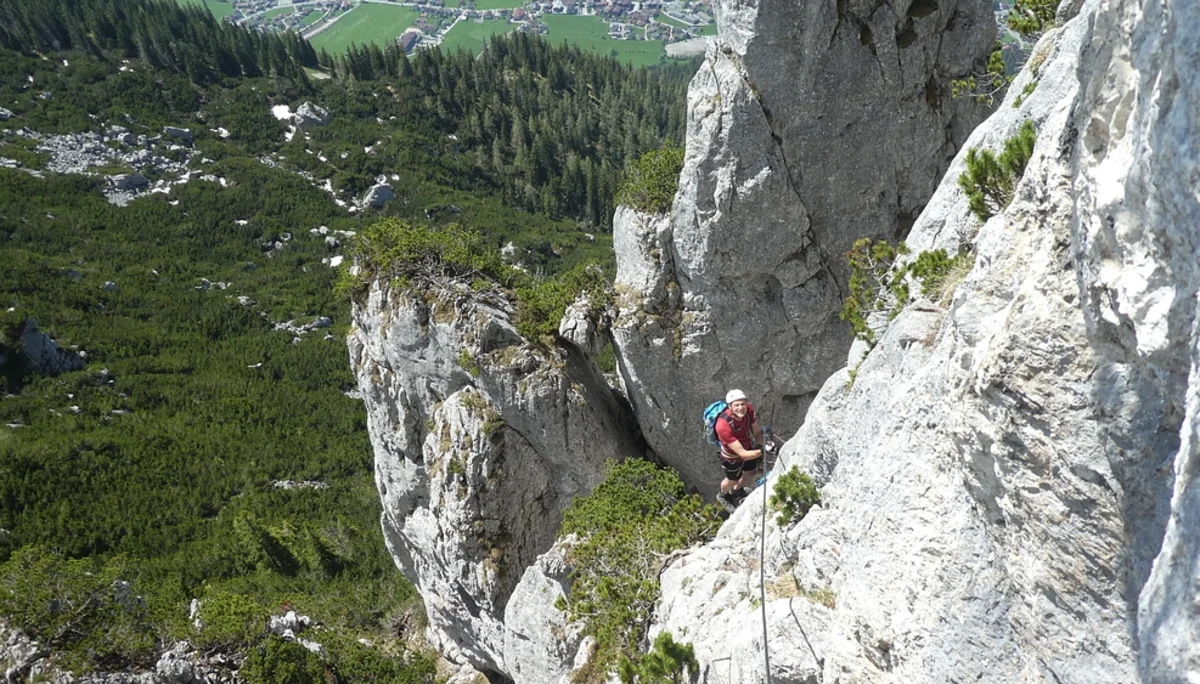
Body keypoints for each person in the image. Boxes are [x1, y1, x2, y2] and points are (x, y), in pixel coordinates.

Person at [715, 389, 765, 511]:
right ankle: (722, 495)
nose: (741, 408)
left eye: (742, 404)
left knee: (750, 472)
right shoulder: (722, 425)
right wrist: (763, 451)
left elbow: (757, 433)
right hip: (732, 457)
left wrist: (765, 444)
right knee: (732, 480)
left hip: (747, 448)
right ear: (730, 407)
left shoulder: (749, 411)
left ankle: (736, 491)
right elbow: (742, 454)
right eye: (736, 405)